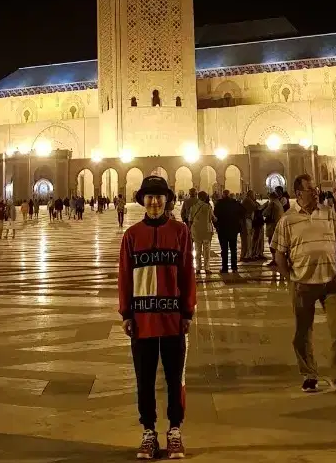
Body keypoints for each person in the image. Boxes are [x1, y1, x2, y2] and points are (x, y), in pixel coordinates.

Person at [118, 175, 195, 460]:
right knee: (144, 379)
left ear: (166, 200)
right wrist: (126, 313)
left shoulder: (180, 232)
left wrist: (187, 310)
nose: (154, 202)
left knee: (175, 378)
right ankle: (148, 431)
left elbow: (188, 273)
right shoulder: (132, 235)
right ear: (142, 201)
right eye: (149, 197)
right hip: (142, 320)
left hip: (173, 318)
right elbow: (124, 276)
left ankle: (175, 430)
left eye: (159, 197)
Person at [271, 173, 336, 392]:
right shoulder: (287, 220)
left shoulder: (328, 214)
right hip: (303, 283)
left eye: (316, 189)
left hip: (333, 282)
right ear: (299, 193)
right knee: (302, 332)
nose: (316, 192)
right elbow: (279, 254)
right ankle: (309, 374)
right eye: (311, 190)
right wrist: (290, 277)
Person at [213, 189, 243, 274]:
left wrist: (217, 227)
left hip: (222, 230)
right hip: (233, 229)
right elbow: (243, 212)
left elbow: (214, 217)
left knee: (224, 249)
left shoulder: (219, 204)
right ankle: (234, 266)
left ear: (223, 195)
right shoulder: (235, 203)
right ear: (229, 195)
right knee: (233, 249)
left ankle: (224, 268)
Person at [189, 191, 215, 274]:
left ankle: (198, 268)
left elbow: (190, 220)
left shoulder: (193, 207)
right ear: (205, 197)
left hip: (196, 230)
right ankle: (207, 268)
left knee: (197, 250)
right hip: (206, 231)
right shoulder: (208, 207)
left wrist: (191, 229)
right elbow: (212, 218)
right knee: (206, 250)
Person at [264, 188, 286, 268]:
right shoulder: (279, 203)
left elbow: (265, 213)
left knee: (272, 243)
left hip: (272, 226)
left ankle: (274, 260)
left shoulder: (272, 203)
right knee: (278, 243)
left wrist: (265, 206)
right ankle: (278, 259)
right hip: (278, 225)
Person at [240, 190, 257, 261]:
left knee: (247, 239)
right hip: (247, 221)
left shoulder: (246, 200)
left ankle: (246, 255)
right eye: (253, 194)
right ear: (250, 194)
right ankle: (247, 256)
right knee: (248, 239)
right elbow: (255, 207)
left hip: (247, 221)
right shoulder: (248, 200)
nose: (254, 196)